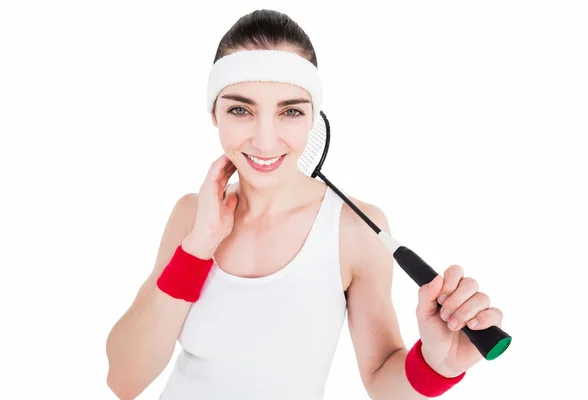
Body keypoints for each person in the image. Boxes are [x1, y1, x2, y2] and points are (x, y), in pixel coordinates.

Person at [105, 9, 504, 400]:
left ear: (313, 117)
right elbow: (124, 380)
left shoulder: (351, 230)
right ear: (214, 114)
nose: (264, 140)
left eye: (290, 111)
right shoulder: (191, 217)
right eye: (240, 109)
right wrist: (199, 244)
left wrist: (437, 366)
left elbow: (383, 382)